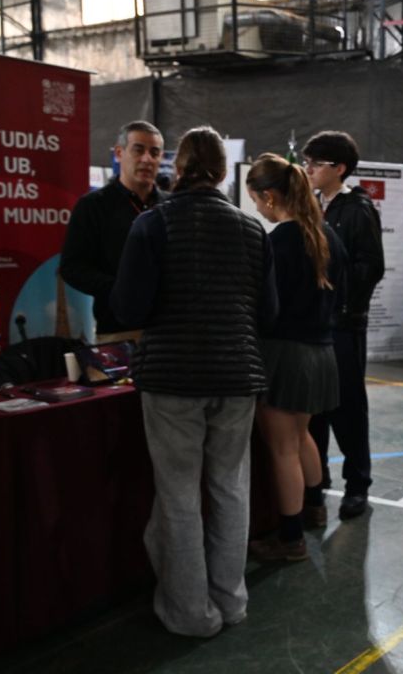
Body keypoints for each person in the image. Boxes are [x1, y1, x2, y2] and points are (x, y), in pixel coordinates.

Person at [110, 126, 278, 638]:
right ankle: (230, 601)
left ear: (176, 169)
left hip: (172, 378)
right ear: (225, 173)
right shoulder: (253, 231)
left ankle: (190, 614)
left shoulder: (152, 224)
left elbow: (129, 308)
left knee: (179, 495)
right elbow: (268, 313)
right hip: (238, 375)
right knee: (231, 488)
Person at [244, 153, 347, 560]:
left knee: (282, 448)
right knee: (302, 436)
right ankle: (314, 507)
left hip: (284, 355)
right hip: (321, 352)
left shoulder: (277, 242)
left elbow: (263, 306)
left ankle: (290, 539)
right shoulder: (327, 236)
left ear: (270, 196)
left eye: (256, 200)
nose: (257, 208)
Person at [303, 131, 385, 520]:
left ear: (339, 168)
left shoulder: (358, 210)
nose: (309, 170)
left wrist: (338, 295)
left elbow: (371, 267)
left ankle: (357, 486)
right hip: (317, 324)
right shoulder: (315, 205)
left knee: (348, 409)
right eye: (307, 163)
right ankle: (316, 480)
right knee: (315, 410)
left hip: (343, 325)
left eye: (315, 164)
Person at [60, 120, 164, 343]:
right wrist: (120, 287)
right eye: (138, 150)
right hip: (118, 332)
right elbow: (72, 268)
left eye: (154, 152)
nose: (147, 159)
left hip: (169, 331)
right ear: (119, 153)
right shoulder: (93, 206)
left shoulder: (171, 206)